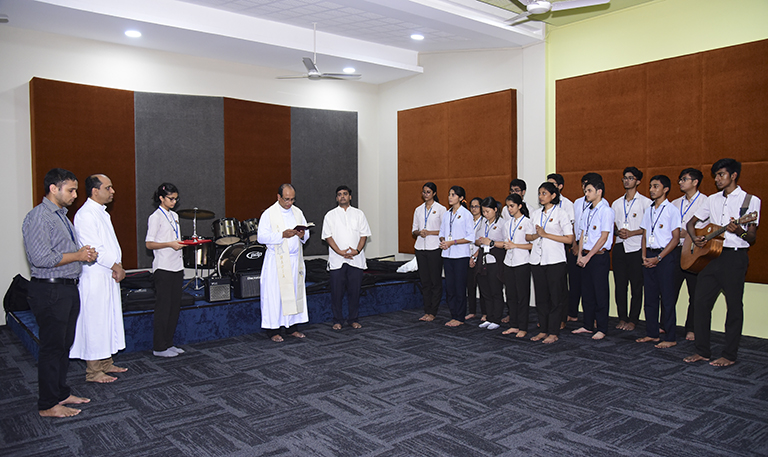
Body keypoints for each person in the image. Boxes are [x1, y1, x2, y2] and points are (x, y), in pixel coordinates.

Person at [22, 168, 96, 417]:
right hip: (49, 290)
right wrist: (77, 255)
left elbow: (63, 252)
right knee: (52, 348)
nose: (75, 195)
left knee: (64, 345)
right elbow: (41, 257)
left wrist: (83, 254)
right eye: (71, 190)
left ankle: (60, 393)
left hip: (65, 288)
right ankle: (47, 404)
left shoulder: (61, 216)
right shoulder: (39, 217)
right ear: (53, 188)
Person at [684, 159, 760, 367]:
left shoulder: (750, 201)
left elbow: (751, 237)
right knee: (700, 302)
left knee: (734, 306)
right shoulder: (712, 200)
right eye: (716, 175)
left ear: (733, 175)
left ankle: (729, 354)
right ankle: (702, 351)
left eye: (721, 175)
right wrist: (696, 238)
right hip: (712, 257)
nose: (717, 179)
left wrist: (740, 231)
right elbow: (691, 223)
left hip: (735, 257)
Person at [70, 174, 127, 382]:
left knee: (107, 319)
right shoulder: (85, 215)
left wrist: (116, 266)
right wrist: (116, 266)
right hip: (95, 275)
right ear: (95, 191)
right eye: (108, 188)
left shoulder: (101, 213)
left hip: (107, 273)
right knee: (95, 321)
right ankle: (93, 371)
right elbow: (93, 248)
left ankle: (106, 362)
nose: (112, 192)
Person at [257, 184, 310, 342]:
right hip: (276, 262)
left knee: (293, 293)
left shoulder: (297, 212)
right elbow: (261, 237)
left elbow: (305, 235)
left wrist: (301, 235)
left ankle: (291, 328)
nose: (289, 203)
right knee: (276, 296)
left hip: (294, 261)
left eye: (292, 199)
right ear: (278, 197)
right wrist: (282, 235)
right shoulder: (269, 214)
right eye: (286, 199)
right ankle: (273, 330)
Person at [636, 175, 680, 348]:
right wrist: (644, 257)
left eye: (656, 186)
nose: (652, 189)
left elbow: (675, 239)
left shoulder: (672, 210)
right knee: (650, 298)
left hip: (665, 258)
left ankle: (670, 337)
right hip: (649, 258)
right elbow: (645, 235)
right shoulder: (649, 210)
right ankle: (652, 333)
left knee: (667, 299)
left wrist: (659, 258)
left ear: (666, 189)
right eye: (651, 186)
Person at [526, 182, 574, 343]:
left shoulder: (561, 214)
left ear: (553, 195)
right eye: (539, 193)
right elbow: (528, 236)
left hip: (555, 260)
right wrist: (536, 235)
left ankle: (553, 332)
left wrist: (546, 234)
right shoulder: (536, 214)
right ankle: (543, 329)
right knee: (541, 297)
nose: (541, 196)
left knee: (555, 297)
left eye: (544, 193)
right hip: (537, 259)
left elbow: (569, 238)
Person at [322, 185, 372, 330]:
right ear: (336, 198)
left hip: (355, 260)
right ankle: (337, 320)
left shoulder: (359, 214)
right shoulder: (330, 215)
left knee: (354, 292)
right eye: (339, 194)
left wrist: (356, 251)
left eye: (345, 194)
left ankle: (353, 319)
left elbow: (364, 235)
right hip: (337, 260)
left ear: (350, 196)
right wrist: (339, 251)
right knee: (336, 292)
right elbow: (327, 236)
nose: (342, 196)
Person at [145, 183, 185, 357]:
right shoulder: (155, 217)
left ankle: (169, 343)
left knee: (174, 307)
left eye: (176, 198)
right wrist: (169, 244)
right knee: (163, 308)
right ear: (161, 198)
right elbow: (149, 243)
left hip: (177, 266)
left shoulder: (174, 215)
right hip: (163, 268)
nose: (174, 202)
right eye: (171, 198)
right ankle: (159, 347)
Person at [573, 176, 615, 340]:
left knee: (600, 292)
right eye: (585, 190)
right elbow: (583, 233)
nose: (586, 193)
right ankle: (587, 325)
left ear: (599, 192)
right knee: (587, 292)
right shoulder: (587, 210)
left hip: (598, 257)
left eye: (589, 190)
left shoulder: (606, 211)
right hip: (586, 256)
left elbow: (603, 237)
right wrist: (580, 254)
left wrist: (588, 256)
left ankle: (602, 327)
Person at [611, 167, 651, 331]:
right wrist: (617, 231)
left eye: (630, 178)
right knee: (620, 285)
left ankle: (633, 319)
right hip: (620, 247)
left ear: (638, 181)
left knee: (636, 286)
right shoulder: (616, 203)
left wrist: (632, 232)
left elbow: (648, 227)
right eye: (624, 178)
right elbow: (611, 225)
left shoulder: (646, 202)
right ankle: (622, 317)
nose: (627, 180)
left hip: (636, 248)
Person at [671, 168, 708, 341]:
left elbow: (709, 227)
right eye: (680, 179)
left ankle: (691, 328)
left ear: (695, 182)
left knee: (695, 292)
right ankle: (667, 324)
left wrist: (689, 233)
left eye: (684, 179)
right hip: (676, 250)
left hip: (695, 252)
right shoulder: (675, 203)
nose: (680, 182)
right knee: (670, 290)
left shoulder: (706, 202)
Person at [438, 186, 475, 327]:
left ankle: (460, 317)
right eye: (449, 194)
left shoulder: (466, 214)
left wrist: (452, 242)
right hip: (447, 254)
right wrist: (443, 241)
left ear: (460, 198)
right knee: (450, 287)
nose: (450, 197)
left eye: (453, 195)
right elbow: (442, 232)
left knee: (460, 287)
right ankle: (453, 314)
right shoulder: (447, 214)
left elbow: (470, 237)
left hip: (460, 255)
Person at [568, 173, 602, 323]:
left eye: (589, 186)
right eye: (584, 185)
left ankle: (595, 318)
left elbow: (603, 234)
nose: (585, 189)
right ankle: (576, 315)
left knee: (596, 288)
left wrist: (587, 253)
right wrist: (576, 247)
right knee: (576, 284)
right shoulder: (577, 203)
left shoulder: (604, 206)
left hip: (594, 251)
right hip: (578, 248)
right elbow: (576, 227)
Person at [412, 182, 446, 322]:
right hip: (420, 248)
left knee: (435, 281)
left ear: (434, 193)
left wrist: (430, 232)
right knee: (425, 281)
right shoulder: (418, 210)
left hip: (434, 248)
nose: (425, 194)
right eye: (424, 192)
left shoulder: (441, 209)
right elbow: (413, 230)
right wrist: (419, 232)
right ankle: (427, 310)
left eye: (428, 192)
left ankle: (433, 311)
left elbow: (445, 230)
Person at [500, 193, 533, 337]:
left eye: (512, 206)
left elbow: (532, 245)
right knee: (510, 295)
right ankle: (513, 324)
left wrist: (515, 245)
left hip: (522, 262)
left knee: (522, 296)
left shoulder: (527, 222)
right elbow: (505, 242)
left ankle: (523, 327)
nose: (509, 209)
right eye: (507, 206)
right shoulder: (507, 224)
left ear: (520, 206)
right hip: (509, 262)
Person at [548, 173, 575, 327]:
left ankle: (562, 318)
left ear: (560, 186)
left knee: (560, 285)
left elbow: (570, 230)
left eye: (552, 184)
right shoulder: (543, 207)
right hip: (546, 249)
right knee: (548, 286)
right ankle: (549, 318)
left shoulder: (567, 205)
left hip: (562, 247)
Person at [475, 197, 506, 331]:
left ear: (495, 210)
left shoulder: (503, 223)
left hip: (496, 261)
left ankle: (496, 318)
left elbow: (506, 243)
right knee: (485, 291)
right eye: (483, 212)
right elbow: (476, 240)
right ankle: (489, 317)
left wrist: (491, 242)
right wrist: (480, 241)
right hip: (483, 260)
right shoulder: (483, 223)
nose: (485, 214)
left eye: (487, 211)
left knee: (495, 290)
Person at [466, 197, 485, 321]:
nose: (473, 209)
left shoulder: (484, 221)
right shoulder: (467, 220)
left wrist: (474, 257)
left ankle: (485, 313)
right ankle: (472, 311)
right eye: (472, 206)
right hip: (467, 256)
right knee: (470, 286)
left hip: (479, 257)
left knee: (483, 287)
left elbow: (482, 242)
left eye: (476, 206)